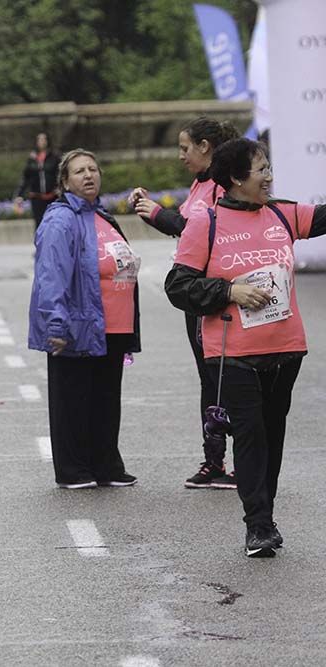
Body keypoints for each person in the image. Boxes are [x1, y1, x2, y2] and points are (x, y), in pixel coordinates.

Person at [165, 137, 326, 558]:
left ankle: (264, 514)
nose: (269, 176)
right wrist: (229, 290)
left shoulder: (283, 214)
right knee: (250, 435)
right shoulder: (207, 222)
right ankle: (258, 525)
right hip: (231, 352)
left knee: (271, 436)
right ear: (236, 179)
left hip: (286, 348)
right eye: (261, 169)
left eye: (269, 167)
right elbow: (178, 286)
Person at [128, 117, 240, 490]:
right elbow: (185, 226)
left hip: (216, 292)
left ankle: (242, 461)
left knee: (226, 377)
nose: (180, 156)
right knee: (208, 378)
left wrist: (159, 214)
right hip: (195, 293)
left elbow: (203, 230)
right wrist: (152, 211)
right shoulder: (200, 182)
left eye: (185, 148)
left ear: (205, 147)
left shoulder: (222, 186)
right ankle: (214, 461)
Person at [28, 149, 140, 489]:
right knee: (72, 399)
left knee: (106, 399)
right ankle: (73, 469)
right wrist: (56, 324)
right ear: (64, 182)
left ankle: (106, 464)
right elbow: (51, 275)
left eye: (93, 168)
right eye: (79, 171)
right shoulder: (61, 219)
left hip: (113, 326)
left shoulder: (102, 216)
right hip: (78, 324)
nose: (89, 175)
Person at [15, 132, 60, 231]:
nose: (42, 142)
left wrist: (59, 188)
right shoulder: (32, 158)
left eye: (44, 139)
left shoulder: (54, 157)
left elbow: (60, 174)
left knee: (53, 223)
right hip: (36, 197)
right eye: (39, 139)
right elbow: (26, 178)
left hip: (52, 196)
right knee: (39, 224)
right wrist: (20, 195)